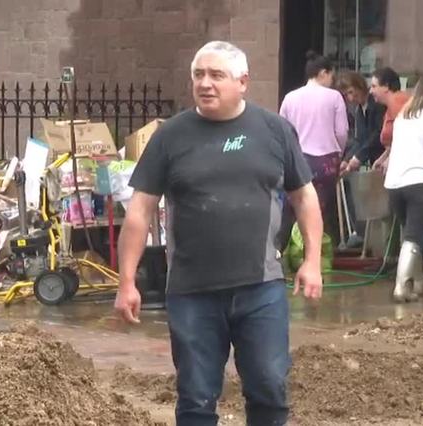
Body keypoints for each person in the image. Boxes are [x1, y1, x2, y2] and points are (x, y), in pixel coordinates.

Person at [114, 40, 323, 426]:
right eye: (199, 75)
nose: (205, 83)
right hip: (192, 292)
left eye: (216, 75)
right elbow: (140, 209)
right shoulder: (171, 136)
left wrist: (312, 261)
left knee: (269, 387)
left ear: (243, 82)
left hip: (260, 288)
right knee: (195, 397)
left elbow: (304, 196)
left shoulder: (274, 131)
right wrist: (127, 280)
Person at [369, 68, 423, 282]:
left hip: (395, 183)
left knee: (421, 226)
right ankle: (403, 283)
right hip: (420, 183)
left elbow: (397, 146)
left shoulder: (403, 118)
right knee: (414, 234)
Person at [278, 51, 348, 248]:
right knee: (321, 209)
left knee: (292, 208)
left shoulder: (290, 98)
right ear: (323, 73)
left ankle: (283, 252)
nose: (332, 80)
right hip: (326, 160)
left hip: (297, 159)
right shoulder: (334, 97)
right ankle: (316, 255)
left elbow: (283, 131)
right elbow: (342, 132)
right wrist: (339, 153)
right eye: (331, 75)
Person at [338, 71, 386, 174]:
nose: (350, 98)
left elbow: (378, 133)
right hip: (375, 162)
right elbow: (360, 140)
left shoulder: (376, 103)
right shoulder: (359, 110)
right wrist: (347, 159)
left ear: (359, 86)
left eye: (351, 92)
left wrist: (359, 157)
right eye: (346, 95)